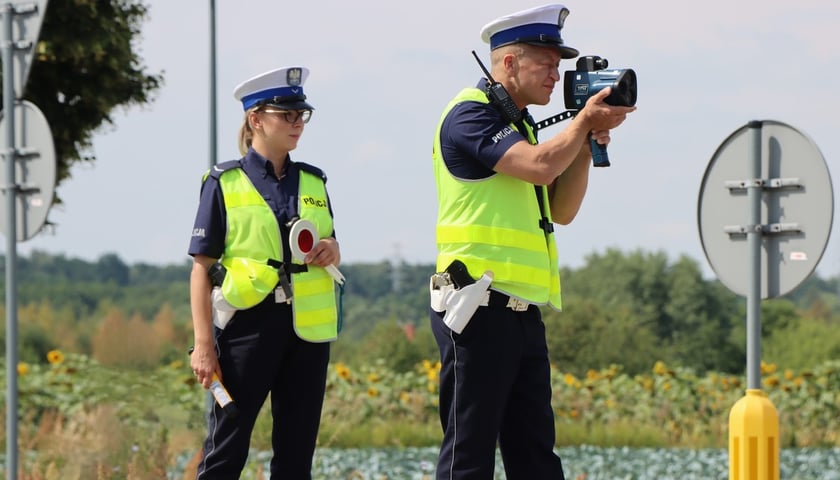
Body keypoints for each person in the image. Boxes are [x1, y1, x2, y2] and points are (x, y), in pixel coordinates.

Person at [428, 4, 636, 479]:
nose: (555, 73)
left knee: (536, 457)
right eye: (545, 62)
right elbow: (541, 166)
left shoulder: (518, 125)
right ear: (508, 64)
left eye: (558, 63)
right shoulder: (469, 116)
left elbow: (561, 210)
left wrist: (585, 143)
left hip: (521, 312)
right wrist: (581, 124)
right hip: (475, 310)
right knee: (468, 457)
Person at [188, 65, 342, 479]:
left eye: (301, 115)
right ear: (256, 119)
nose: (297, 124)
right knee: (226, 449)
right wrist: (203, 345)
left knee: (296, 455)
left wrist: (330, 250)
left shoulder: (314, 180)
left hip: (306, 332)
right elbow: (201, 269)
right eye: (286, 115)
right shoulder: (223, 182)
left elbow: (332, 244)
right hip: (247, 329)